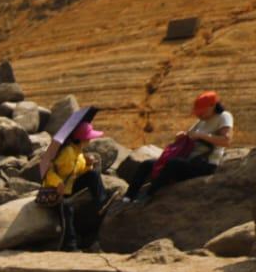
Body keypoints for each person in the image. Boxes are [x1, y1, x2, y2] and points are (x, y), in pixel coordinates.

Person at [125, 91, 233, 203]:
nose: (200, 115)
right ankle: (128, 196)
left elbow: (226, 141)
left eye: (202, 112)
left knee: (173, 163)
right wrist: (182, 136)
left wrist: (201, 136)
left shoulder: (224, 116)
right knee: (147, 164)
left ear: (212, 106)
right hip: (188, 161)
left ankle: (150, 194)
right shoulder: (201, 121)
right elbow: (190, 134)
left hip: (205, 164)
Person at [41, 119, 116, 252]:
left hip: (69, 186)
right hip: (55, 189)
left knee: (92, 174)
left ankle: (101, 202)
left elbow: (77, 172)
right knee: (67, 209)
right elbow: (50, 171)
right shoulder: (68, 152)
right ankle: (70, 246)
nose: (91, 140)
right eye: (89, 137)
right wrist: (57, 183)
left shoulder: (78, 152)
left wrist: (88, 165)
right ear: (82, 139)